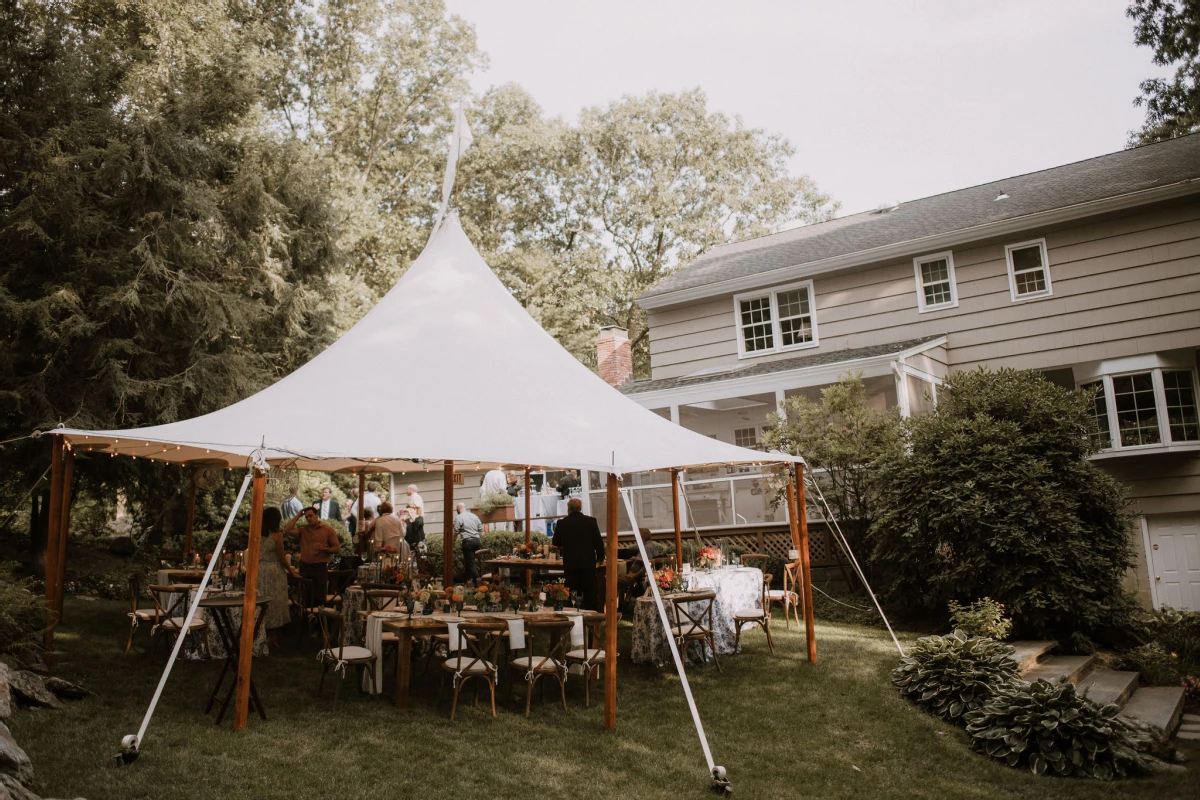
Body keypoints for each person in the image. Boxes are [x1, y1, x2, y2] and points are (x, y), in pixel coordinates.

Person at [552, 497, 605, 611]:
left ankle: (573, 610)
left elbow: (555, 542)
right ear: (580, 508)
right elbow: (598, 542)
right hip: (587, 561)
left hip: (570, 562)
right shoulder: (591, 521)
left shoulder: (562, 523)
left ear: (568, 509)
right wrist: (601, 557)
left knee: (572, 588)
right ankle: (591, 611)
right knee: (589, 589)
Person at [285, 506, 341, 608]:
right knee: (305, 598)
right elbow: (287, 529)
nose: (309, 518)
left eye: (311, 515)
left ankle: (319, 622)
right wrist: (298, 515)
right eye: (306, 517)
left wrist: (325, 549)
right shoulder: (303, 531)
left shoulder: (328, 530)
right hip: (305, 567)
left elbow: (337, 549)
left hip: (320, 567)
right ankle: (306, 621)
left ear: (317, 515)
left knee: (319, 599)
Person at [256, 507, 293, 644]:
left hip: (260, 569)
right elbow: (281, 558)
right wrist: (291, 571)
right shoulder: (277, 535)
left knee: (262, 598)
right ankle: (273, 635)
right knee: (275, 600)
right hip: (274, 570)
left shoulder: (257, 534)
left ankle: (261, 630)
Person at [453, 502, 484, 581]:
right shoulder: (474, 516)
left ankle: (478, 582)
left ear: (458, 509)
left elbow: (456, 532)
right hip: (477, 540)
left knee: (470, 563)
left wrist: (451, 543)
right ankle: (468, 581)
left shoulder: (459, 517)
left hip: (468, 541)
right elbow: (481, 529)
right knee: (473, 562)